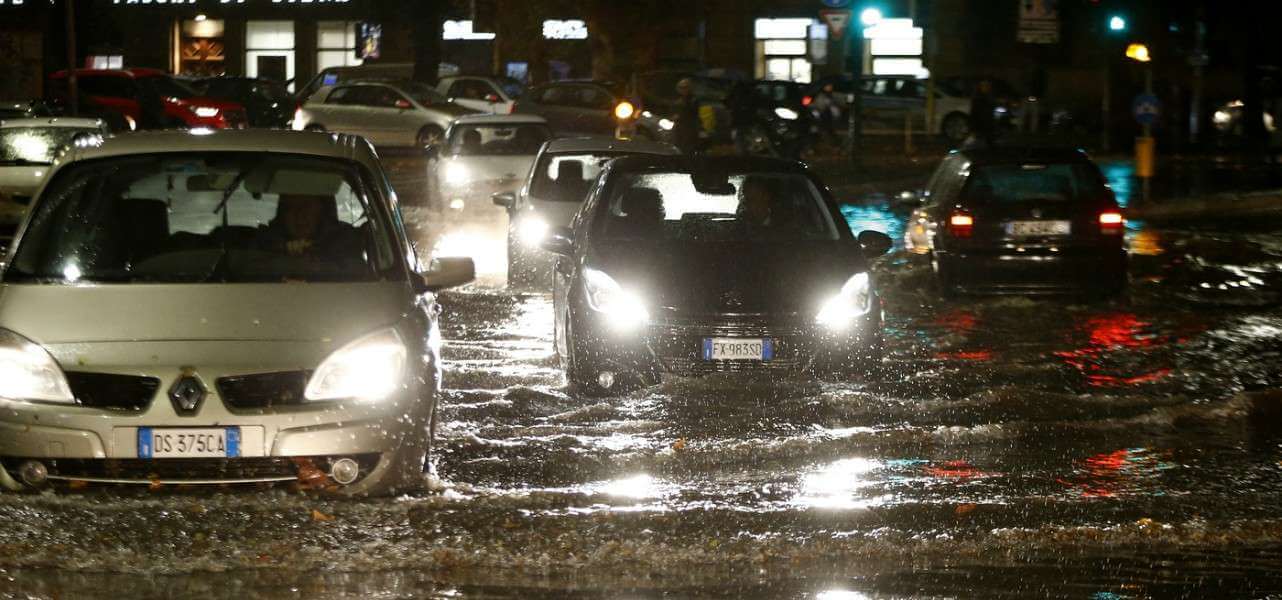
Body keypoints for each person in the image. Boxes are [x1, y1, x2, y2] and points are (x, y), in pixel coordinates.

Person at [261, 193, 360, 260]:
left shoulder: (346, 246)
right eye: (291, 207)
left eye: (306, 205)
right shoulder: (261, 245)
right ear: (282, 215)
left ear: (322, 211)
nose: (300, 214)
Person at [726, 81, 758, 155]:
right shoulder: (748, 95)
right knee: (743, 136)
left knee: (740, 137)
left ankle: (742, 152)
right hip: (744, 121)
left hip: (739, 121)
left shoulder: (736, 96)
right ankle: (746, 151)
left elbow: (729, 104)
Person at [672, 78, 702, 155]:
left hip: (689, 128)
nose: (682, 90)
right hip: (680, 127)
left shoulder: (693, 100)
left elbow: (692, 113)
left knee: (688, 149)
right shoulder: (679, 100)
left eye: (685, 87)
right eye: (681, 88)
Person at [968, 79, 998, 148]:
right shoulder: (977, 98)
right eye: (984, 86)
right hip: (980, 126)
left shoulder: (990, 97)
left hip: (989, 125)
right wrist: (973, 128)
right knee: (979, 144)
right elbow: (973, 113)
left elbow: (992, 112)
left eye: (987, 86)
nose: (986, 88)